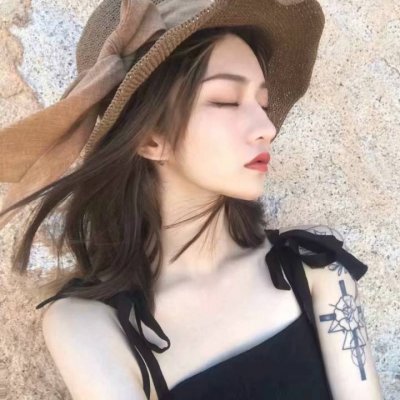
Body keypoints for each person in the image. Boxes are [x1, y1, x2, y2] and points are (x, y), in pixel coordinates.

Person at [0, 0, 383, 399]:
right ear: (150, 138)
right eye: (226, 100)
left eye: (263, 104)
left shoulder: (317, 270)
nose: (267, 127)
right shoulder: (89, 325)